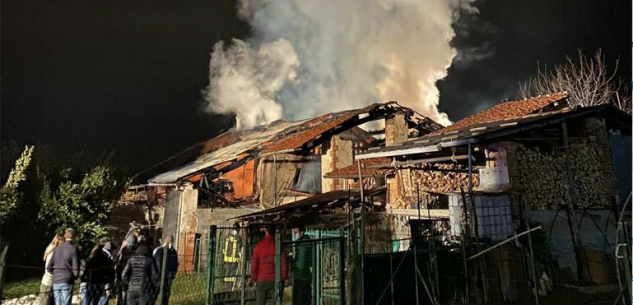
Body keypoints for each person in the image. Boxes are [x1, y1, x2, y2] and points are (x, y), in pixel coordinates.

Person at [251, 226, 287, 305]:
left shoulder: (258, 246)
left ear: (266, 232)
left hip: (261, 279)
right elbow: (283, 263)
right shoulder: (278, 246)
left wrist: (254, 278)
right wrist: (283, 277)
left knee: (260, 302)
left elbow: (254, 264)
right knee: (276, 302)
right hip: (275, 279)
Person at [47, 228, 79, 305]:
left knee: (58, 303)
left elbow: (48, 267)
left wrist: (55, 274)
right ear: (74, 237)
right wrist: (73, 277)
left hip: (56, 280)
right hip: (67, 280)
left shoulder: (57, 248)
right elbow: (75, 269)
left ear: (65, 236)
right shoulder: (73, 249)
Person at [152, 235, 178, 305]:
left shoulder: (173, 252)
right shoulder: (159, 250)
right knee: (155, 293)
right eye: (170, 241)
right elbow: (154, 262)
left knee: (166, 294)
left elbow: (175, 264)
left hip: (168, 276)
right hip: (158, 276)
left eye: (172, 242)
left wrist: (173, 274)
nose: (171, 243)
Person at [290, 225, 312, 305]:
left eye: (296, 232)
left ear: (301, 232)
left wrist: (293, 264)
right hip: (304, 276)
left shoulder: (303, 244)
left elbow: (301, 263)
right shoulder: (305, 242)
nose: (295, 234)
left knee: (300, 300)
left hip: (301, 276)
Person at [39, 235, 64, 305]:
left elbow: (44, 257)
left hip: (54, 283)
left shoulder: (50, 249)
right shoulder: (53, 253)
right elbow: (49, 269)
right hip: (48, 282)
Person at [115, 235, 137, 305]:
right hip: (131, 278)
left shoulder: (122, 252)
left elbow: (117, 263)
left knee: (121, 296)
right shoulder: (135, 253)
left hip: (121, 277)